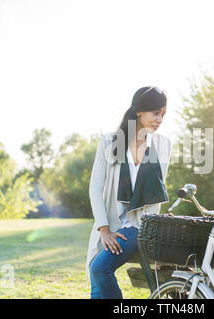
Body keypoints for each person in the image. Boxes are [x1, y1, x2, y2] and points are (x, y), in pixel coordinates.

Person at [86, 86, 172, 299]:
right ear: (139, 111)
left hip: (141, 225)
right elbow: (96, 187)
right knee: (97, 283)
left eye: (163, 114)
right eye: (156, 113)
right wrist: (104, 229)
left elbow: (154, 190)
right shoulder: (110, 141)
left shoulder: (163, 144)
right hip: (111, 223)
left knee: (99, 268)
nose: (160, 119)